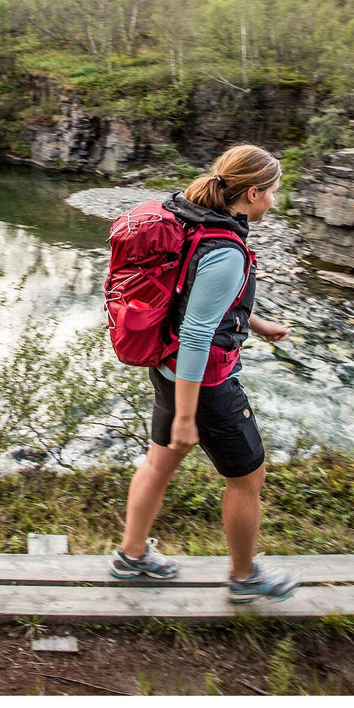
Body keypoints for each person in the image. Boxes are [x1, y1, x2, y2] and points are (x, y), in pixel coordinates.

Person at [109, 144, 301, 604]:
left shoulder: (191, 214)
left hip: (167, 368)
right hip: (205, 383)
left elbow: (192, 296)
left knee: (158, 462)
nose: (275, 201)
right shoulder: (226, 249)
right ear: (252, 193)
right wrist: (186, 417)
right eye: (273, 192)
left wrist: (258, 322)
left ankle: (131, 557)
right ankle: (244, 577)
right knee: (248, 479)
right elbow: (197, 333)